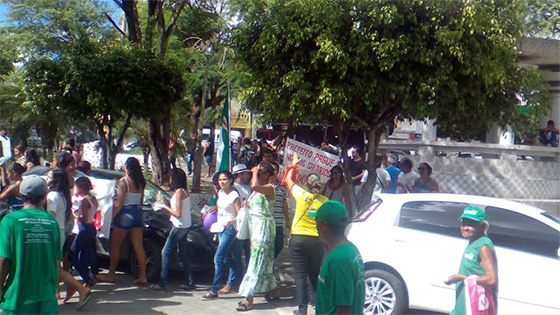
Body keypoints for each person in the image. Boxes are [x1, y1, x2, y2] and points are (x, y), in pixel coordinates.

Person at [0, 176, 61, 314]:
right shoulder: (52, 222)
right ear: (45, 196)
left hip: (18, 298)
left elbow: (3, 260)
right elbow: (56, 262)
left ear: (20, 195)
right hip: (46, 298)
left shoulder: (10, 220)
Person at [284, 152, 328, 315]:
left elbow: (289, 180)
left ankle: (302, 310)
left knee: (300, 275)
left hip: (298, 239)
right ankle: (318, 307)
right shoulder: (325, 201)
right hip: (317, 240)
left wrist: (294, 164)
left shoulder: (302, 195)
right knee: (314, 274)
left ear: (307, 184)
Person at [236, 162, 279, 311]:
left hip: (263, 228)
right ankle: (273, 289)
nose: (254, 176)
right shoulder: (258, 191)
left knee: (256, 261)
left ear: (266, 175)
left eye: (259, 174)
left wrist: (255, 172)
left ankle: (249, 298)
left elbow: (254, 186)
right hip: (256, 227)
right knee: (265, 260)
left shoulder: (269, 188)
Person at [97, 157, 147, 284]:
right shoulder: (141, 182)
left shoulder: (124, 181)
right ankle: (143, 276)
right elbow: (141, 201)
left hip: (126, 213)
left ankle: (111, 274)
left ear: (126, 167)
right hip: (138, 213)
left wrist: (111, 217)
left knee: (115, 246)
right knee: (139, 247)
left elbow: (119, 203)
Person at [310, 200, 365, 315]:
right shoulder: (349, 249)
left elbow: (344, 308)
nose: (315, 226)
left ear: (324, 225)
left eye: (316, 221)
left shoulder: (339, 259)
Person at [46, 168, 92, 306]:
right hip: (60, 232)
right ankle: (60, 291)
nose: (47, 179)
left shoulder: (52, 196)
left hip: (53, 232)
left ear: (55, 180)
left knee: (54, 267)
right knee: (55, 266)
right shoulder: (63, 195)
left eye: (49, 177)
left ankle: (79, 288)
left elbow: (51, 217)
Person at [149, 168, 196, 292]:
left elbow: (178, 213)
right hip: (185, 225)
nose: (169, 179)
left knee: (165, 252)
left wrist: (164, 207)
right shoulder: (184, 191)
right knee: (183, 253)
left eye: (170, 177)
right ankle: (191, 281)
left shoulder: (179, 192)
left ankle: (162, 281)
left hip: (179, 225)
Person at [445, 206, 498, 315]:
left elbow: (491, 279)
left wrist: (463, 278)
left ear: (482, 226)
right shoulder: (473, 242)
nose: (465, 228)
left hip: (475, 306)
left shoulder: (483, 246)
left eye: (471, 224)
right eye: (463, 223)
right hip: (464, 302)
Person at [201, 171, 243, 301]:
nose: (222, 182)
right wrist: (212, 208)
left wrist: (231, 221)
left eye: (225, 179)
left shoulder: (234, 195)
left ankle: (214, 290)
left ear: (231, 180)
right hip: (220, 227)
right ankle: (239, 280)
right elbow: (221, 207)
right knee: (227, 258)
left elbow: (241, 214)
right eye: (220, 180)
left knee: (218, 257)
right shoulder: (220, 193)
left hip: (230, 229)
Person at [70, 177, 98, 288]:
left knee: (73, 254)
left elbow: (84, 219)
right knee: (85, 253)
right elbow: (94, 215)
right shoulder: (93, 199)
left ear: (80, 187)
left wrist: (75, 215)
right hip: (91, 227)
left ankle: (86, 276)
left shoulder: (84, 201)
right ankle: (88, 276)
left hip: (84, 228)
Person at [270, 162, 290, 259]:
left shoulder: (282, 187)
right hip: (267, 223)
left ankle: (271, 263)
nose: (273, 172)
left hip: (278, 223)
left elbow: (284, 203)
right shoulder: (263, 186)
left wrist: (287, 219)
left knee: (279, 245)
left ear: (278, 172)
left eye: (275, 170)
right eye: (271, 170)